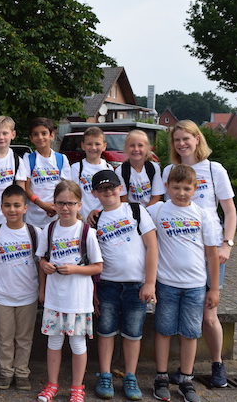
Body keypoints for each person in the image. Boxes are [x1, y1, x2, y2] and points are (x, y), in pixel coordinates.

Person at [161, 120, 236, 389]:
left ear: (197, 139)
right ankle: (182, 370)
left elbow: (229, 211)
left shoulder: (215, 169)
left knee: (209, 314)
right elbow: (163, 208)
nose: (182, 144)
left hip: (211, 251)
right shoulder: (169, 170)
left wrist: (227, 244)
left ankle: (217, 364)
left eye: (186, 138)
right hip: (181, 253)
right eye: (177, 140)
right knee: (177, 314)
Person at [148, 164, 221, 402]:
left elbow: (212, 254)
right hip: (166, 283)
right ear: (167, 187)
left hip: (195, 285)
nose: (181, 193)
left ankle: (186, 379)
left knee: (190, 333)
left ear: (195, 188)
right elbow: (131, 219)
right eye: (176, 187)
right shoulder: (158, 210)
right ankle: (161, 377)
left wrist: (214, 288)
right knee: (164, 330)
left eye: (186, 188)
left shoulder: (202, 214)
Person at [90, 170, 158, 401]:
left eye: (112, 187)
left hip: (136, 285)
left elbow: (152, 246)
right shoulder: (95, 220)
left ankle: (130, 376)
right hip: (107, 285)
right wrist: (94, 290)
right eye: (102, 189)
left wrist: (150, 282)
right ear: (94, 193)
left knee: (133, 333)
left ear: (120, 189)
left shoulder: (136, 210)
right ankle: (105, 375)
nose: (108, 192)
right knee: (106, 331)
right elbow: (92, 258)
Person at [36, 180, 103, 402]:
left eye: (70, 203)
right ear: (54, 204)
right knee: (54, 343)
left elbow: (98, 267)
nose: (65, 208)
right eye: (60, 203)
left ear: (79, 205)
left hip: (78, 300)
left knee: (77, 344)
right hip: (55, 298)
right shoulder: (49, 230)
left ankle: (77, 388)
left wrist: (75, 269)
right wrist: (45, 267)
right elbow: (42, 259)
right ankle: (52, 385)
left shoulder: (87, 232)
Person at [0, 184, 40, 392]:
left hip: (28, 294)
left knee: (24, 338)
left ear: (25, 208)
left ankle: (22, 372)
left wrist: (42, 290)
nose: (12, 209)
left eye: (17, 205)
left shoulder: (34, 232)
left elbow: (41, 263)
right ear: (1, 207)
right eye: (7, 205)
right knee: (5, 338)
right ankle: (6, 372)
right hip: (2, 294)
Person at [23, 118, 71, 227]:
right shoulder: (28, 159)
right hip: (33, 219)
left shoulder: (61, 159)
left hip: (56, 216)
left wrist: (57, 207)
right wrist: (43, 205)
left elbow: (67, 187)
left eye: (44, 133)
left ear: (51, 135)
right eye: (36, 134)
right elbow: (26, 188)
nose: (40, 137)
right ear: (31, 138)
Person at [70, 126, 111, 219]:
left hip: (103, 218)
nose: (93, 147)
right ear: (83, 145)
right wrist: (77, 215)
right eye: (89, 144)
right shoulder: (76, 168)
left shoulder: (109, 168)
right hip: (82, 218)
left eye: (97, 144)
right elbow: (72, 195)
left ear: (104, 146)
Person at [117, 129, 164, 207]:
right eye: (132, 145)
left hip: (151, 208)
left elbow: (156, 196)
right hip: (130, 210)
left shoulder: (154, 168)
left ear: (147, 148)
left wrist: (145, 212)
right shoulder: (121, 171)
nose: (136, 149)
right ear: (126, 148)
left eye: (140, 145)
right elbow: (123, 199)